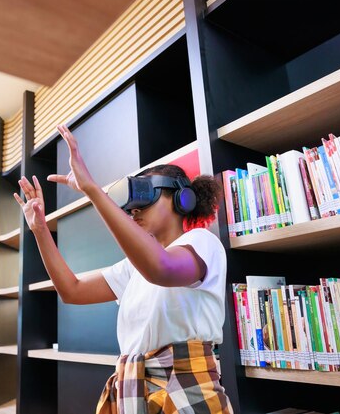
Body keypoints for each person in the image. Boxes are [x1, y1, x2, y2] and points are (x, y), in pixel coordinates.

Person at [14, 124, 233, 414]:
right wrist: (40, 229)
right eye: (130, 204)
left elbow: (162, 268)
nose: (134, 210)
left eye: (145, 195)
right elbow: (71, 290)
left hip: (186, 388)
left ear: (182, 199)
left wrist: (92, 190)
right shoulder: (134, 268)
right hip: (133, 390)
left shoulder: (203, 243)